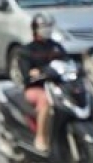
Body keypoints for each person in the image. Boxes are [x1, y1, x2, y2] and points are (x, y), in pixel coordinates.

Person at [17, 12, 68, 153]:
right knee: (46, 100)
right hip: (36, 89)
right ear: (35, 29)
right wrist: (35, 72)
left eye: (49, 26)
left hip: (57, 86)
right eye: (44, 26)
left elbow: (67, 61)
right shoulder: (27, 50)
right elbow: (26, 74)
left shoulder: (56, 47)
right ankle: (40, 137)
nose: (47, 29)